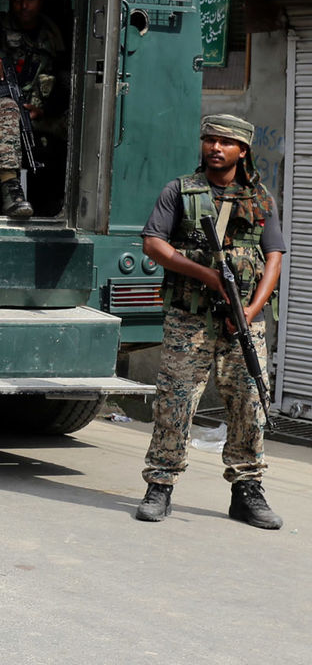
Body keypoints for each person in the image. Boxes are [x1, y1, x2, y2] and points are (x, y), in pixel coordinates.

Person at [134, 114, 285, 529]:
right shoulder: (180, 191)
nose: (215, 148)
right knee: (176, 401)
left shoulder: (261, 199)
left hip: (244, 321)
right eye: (209, 140)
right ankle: (160, 486)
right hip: (190, 319)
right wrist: (206, 275)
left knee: (250, 404)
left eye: (225, 142)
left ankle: (247, 490)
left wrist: (250, 311)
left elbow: (274, 258)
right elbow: (154, 244)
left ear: (243, 150)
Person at [0, 0, 67, 218]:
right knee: (7, 109)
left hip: (40, 112)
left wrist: (45, 111)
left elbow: (67, 81)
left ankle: (66, 197)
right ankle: (11, 190)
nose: (24, 5)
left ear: (42, 0)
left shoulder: (55, 34)